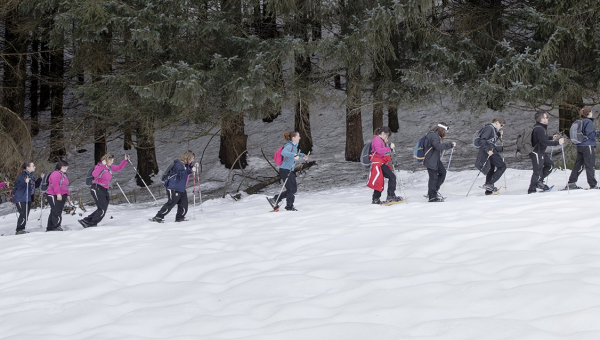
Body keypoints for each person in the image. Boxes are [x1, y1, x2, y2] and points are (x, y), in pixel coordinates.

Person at [79, 154, 130, 228]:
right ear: (106, 160)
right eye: (111, 161)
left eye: (112, 161)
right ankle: (92, 224)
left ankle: (86, 220)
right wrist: (102, 165)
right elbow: (95, 174)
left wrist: (125, 160)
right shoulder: (99, 166)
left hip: (104, 189)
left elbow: (118, 168)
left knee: (103, 208)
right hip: (97, 188)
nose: (112, 162)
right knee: (102, 209)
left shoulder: (109, 167)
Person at [151, 150, 198, 222]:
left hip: (180, 187)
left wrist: (193, 166)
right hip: (173, 187)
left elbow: (187, 168)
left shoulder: (185, 164)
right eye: (192, 159)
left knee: (183, 203)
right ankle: (158, 217)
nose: (192, 160)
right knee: (171, 203)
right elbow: (180, 173)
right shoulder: (178, 164)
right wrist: (190, 170)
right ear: (188, 157)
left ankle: (180, 217)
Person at [267, 131, 308, 210]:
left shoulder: (294, 146)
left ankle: (275, 199)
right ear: (293, 138)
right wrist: (294, 155)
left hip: (289, 169)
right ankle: (289, 206)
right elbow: (284, 152)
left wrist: (303, 155)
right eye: (298, 136)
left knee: (294, 189)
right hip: (285, 169)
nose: (300, 138)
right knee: (291, 189)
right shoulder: (289, 145)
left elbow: (294, 154)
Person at [528, 112, 564, 194]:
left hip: (541, 152)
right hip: (536, 152)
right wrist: (557, 142)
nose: (548, 119)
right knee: (537, 171)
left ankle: (539, 182)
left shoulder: (541, 128)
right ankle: (531, 190)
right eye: (546, 117)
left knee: (550, 165)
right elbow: (544, 142)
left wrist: (552, 138)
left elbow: (542, 138)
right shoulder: (539, 129)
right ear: (542, 119)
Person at [565, 106, 600, 190]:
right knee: (590, 165)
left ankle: (571, 182)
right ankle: (593, 184)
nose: (592, 113)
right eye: (591, 112)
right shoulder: (588, 122)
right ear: (589, 113)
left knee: (579, 164)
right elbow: (590, 134)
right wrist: (598, 133)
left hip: (580, 145)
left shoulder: (580, 121)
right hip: (587, 146)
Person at [366, 126, 403, 204]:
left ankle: (378, 198)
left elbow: (381, 151)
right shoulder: (376, 140)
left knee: (383, 179)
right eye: (387, 135)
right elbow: (379, 151)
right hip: (378, 163)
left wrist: (386, 143)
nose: (387, 136)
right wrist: (389, 147)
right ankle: (389, 196)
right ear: (383, 133)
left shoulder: (380, 140)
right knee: (390, 177)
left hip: (380, 162)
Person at [424, 123, 456, 202]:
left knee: (442, 173)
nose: (445, 133)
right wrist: (450, 145)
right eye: (445, 131)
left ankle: (433, 191)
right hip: (431, 159)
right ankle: (432, 196)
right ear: (441, 129)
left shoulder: (433, 134)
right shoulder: (434, 135)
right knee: (433, 178)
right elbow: (437, 146)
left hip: (434, 159)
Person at [475, 117, 507, 194]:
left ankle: (488, 191)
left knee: (491, 169)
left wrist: (499, 134)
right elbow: (483, 140)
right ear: (496, 122)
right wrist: (487, 150)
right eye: (501, 125)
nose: (501, 127)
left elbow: (491, 140)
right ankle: (489, 184)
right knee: (502, 166)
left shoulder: (493, 129)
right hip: (489, 151)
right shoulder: (489, 128)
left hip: (490, 150)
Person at [13, 162, 43, 235]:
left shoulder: (31, 176)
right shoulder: (22, 175)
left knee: (26, 214)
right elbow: (17, 185)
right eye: (33, 166)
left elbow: (34, 185)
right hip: (21, 197)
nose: (34, 167)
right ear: (27, 167)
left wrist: (40, 179)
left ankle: (22, 228)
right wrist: (24, 182)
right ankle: (19, 229)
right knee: (23, 213)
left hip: (28, 197)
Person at [46, 161, 70, 231]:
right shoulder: (55, 174)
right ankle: (55, 226)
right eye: (64, 167)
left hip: (62, 194)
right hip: (53, 194)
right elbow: (55, 185)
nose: (66, 168)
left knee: (56, 210)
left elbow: (65, 186)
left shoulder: (64, 175)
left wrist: (67, 194)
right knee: (56, 210)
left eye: (66, 167)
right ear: (60, 167)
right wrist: (58, 194)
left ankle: (50, 226)